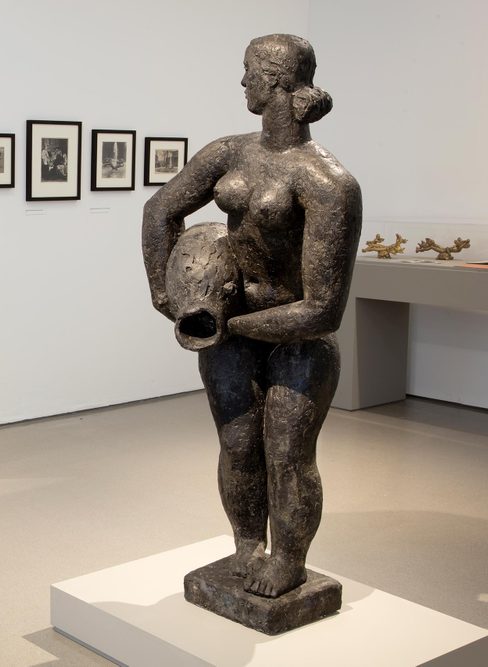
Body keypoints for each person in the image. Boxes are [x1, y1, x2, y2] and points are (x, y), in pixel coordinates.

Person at [142, 34, 362, 598]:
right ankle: (246, 546)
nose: (243, 82)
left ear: (277, 80)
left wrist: (229, 326)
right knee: (238, 445)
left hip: (298, 338)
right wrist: (166, 293)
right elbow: (160, 209)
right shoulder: (228, 153)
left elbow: (323, 309)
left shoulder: (327, 183)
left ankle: (288, 561)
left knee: (287, 455)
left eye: (249, 72)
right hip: (232, 332)